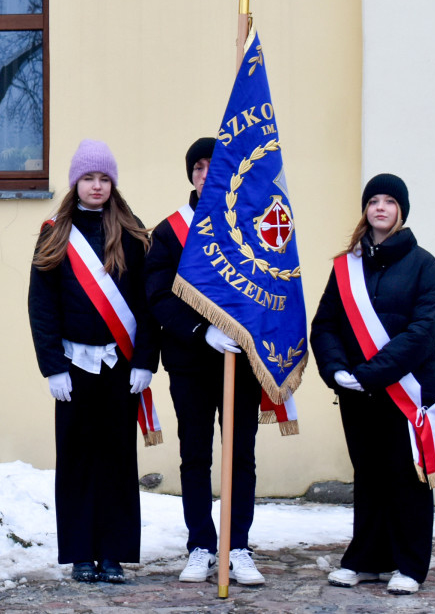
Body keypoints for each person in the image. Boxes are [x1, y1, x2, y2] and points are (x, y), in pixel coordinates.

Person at [27, 139, 157, 584]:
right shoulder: (55, 231)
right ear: (75, 182)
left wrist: (145, 361)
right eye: (89, 178)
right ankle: (82, 553)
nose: (97, 186)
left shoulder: (134, 232)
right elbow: (41, 306)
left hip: (120, 367)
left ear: (112, 183)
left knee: (118, 459)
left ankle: (114, 554)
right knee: (78, 460)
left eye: (104, 178)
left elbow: (146, 303)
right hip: (73, 367)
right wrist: (52, 367)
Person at [310, 173, 435, 596]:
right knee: (368, 476)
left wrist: (368, 373)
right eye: (374, 201)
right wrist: (336, 371)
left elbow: (422, 332)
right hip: (356, 393)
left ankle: (409, 564)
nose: (380, 207)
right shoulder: (346, 267)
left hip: (403, 390)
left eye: (390, 201)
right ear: (365, 209)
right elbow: (326, 323)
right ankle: (368, 559)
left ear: (401, 210)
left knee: (407, 478)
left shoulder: (425, 265)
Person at [143, 137, 266, 586]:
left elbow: (267, 287)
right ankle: (200, 544)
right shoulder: (170, 230)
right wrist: (202, 331)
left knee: (241, 457)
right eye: (198, 167)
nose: (205, 174)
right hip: (192, 360)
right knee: (195, 455)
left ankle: (238, 545)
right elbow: (156, 295)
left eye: (214, 167)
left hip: (241, 360)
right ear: (191, 175)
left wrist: (242, 333)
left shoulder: (249, 224)